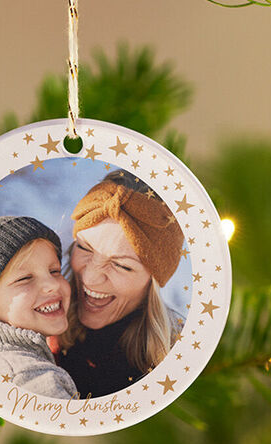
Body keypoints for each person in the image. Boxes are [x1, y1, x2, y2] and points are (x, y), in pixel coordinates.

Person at [57, 170, 185, 398]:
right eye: (84, 248)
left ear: (152, 284)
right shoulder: (37, 330)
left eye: (122, 266)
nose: (91, 278)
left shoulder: (171, 369)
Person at [0, 216, 78, 399]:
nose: (53, 285)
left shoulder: (21, 361)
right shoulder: (27, 375)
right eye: (24, 278)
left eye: (55, 271)